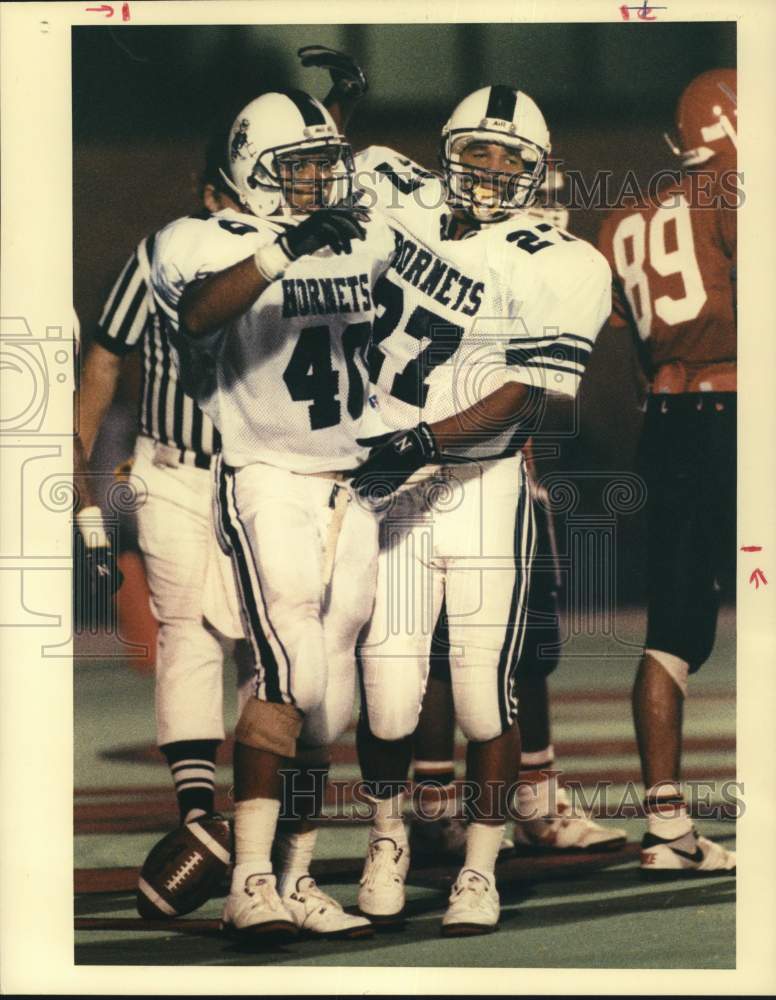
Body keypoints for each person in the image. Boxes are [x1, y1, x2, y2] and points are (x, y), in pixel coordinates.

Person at [345, 85, 612, 935]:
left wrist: (425, 443)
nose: (493, 171)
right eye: (478, 151)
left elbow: (535, 399)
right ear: (445, 149)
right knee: (386, 697)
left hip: (480, 486)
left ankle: (479, 867)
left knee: (482, 695)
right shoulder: (393, 187)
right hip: (390, 491)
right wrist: (332, 119)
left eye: (512, 158)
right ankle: (388, 836)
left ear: (538, 172)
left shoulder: (560, 258)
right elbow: (303, 199)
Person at [155, 88, 399, 940]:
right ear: (250, 171)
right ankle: (247, 881)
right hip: (265, 477)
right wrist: (283, 250)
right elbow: (193, 315)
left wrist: (331, 133)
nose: (313, 182)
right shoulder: (203, 241)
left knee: (330, 701)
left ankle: (293, 876)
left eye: (321, 166)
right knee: (287, 673)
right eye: (293, 169)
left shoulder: (359, 226)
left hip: (353, 481)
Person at [75, 133, 256, 834]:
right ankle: (199, 815)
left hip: (273, 476)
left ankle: (270, 819)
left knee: (285, 648)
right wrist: (82, 484)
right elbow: (103, 362)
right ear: (209, 192)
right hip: (175, 466)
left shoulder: (306, 252)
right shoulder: (164, 251)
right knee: (188, 633)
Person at [596, 68, 737, 877]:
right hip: (737, 412)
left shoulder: (625, 216)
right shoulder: (737, 192)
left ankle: (666, 823)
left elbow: (632, 345)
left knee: (673, 633)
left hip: (668, 421)